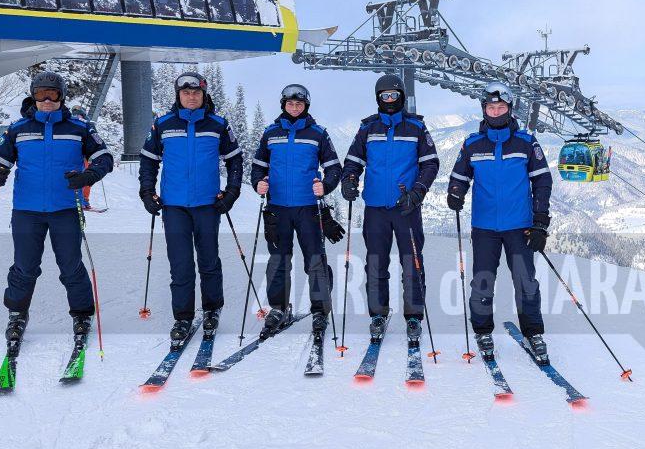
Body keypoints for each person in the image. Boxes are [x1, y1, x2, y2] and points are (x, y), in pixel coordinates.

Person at [0, 70, 114, 348]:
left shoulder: (79, 128)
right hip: (27, 211)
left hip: (65, 209)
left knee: (71, 266)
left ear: (61, 97)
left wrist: (88, 176)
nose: (46, 100)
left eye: (52, 94)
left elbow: (104, 157)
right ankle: (17, 314)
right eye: (41, 94)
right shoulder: (18, 129)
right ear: (33, 95)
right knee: (24, 267)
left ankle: (81, 315)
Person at [446, 81, 553, 364]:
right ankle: (482, 331)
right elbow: (459, 176)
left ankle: (534, 332)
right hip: (485, 228)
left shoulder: (526, 142)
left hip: (520, 225)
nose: (495, 111)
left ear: (509, 109)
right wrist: (455, 193)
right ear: (484, 110)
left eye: (500, 107)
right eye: (490, 107)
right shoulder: (472, 144)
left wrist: (541, 221)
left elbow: (542, 180)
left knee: (526, 281)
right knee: (482, 281)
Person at [138, 71, 243, 344]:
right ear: (178, 95)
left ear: (204, 94)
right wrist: (147, 191)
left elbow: (235, 160)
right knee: (181, 264)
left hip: (208, 205)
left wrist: (232, 191)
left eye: (196, 92)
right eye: (186, 92)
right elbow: (148, 160)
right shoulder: (163, 124)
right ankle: (183, 318)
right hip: (174, 207)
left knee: (209, 261)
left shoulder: (218, 125)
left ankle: (211, 310)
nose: (191, 96)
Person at [340, 74, 439, 343]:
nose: (389, 101)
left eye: (394, 96)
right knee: (375, 263)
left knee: (412, 263)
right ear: (378, 99)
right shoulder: (367, 129)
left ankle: (414, 317)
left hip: (406, 207)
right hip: (375, 208)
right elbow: (352, 162)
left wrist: (417, 192)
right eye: (384, 96)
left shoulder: (416, 128)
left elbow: (430, 164)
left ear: (402, 97)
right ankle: (378, 314)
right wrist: (349, 180)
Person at [249, 84, 344, 337]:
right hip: (277, 208)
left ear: (306, 106)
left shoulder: (318, 134)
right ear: (283, 105)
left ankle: (320, 310)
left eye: (299, 104)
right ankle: (279, 308)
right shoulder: (270, 134)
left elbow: (335, 168)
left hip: (308, 209)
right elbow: (257, 168)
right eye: (290, 104)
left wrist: (325, 185)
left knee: (315, 260)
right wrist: (258, 182)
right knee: (279, 261)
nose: (294, 108)